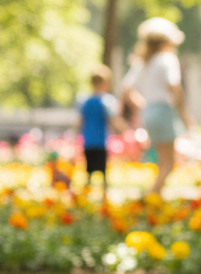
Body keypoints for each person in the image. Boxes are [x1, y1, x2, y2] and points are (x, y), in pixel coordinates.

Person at [120, 17, 194, 196]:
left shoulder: (142, 61)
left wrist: (143, 105)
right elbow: (175, 89)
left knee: (162, 161)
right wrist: (185, 116)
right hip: (163, 111)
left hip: (149, 112)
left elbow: (126, 88)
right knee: (169, 162)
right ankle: (150, 196)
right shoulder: (167, 59)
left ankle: (156, 197)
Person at [76, 64, 121, 200]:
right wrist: (124, 129)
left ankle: (86, 194)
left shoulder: (84, 101)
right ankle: (104, 196)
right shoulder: (106, 101)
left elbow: (80, 121)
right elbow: (112, 119)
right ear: (106, 83)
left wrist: (76, 135)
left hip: (88, 140)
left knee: (89, 168)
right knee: (102, 169)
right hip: (101, 141)